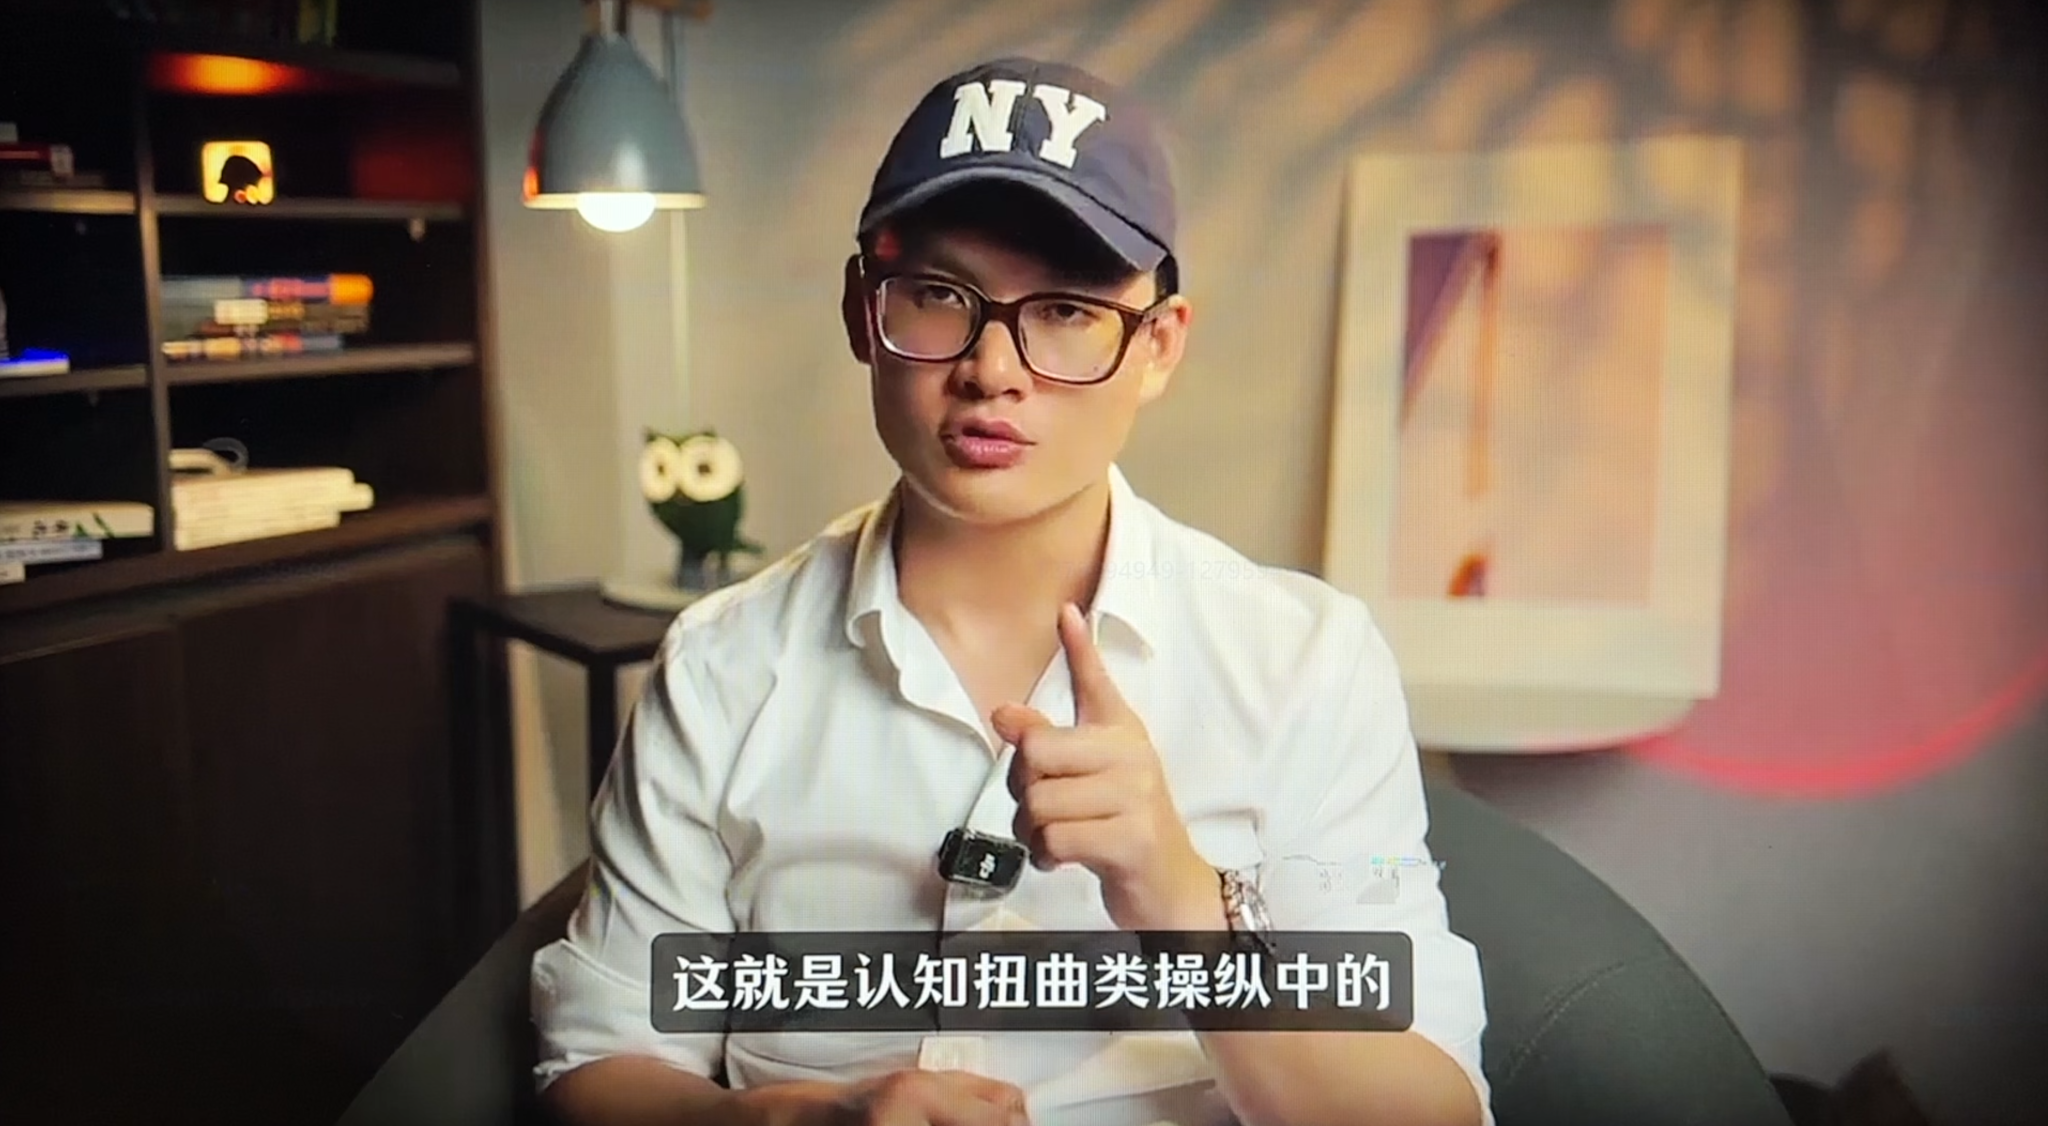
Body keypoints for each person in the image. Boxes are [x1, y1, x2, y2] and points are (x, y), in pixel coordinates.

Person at [532, 56, 1492, 1126]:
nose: (993, 369)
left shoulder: (1304, 662)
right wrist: (804, 1119)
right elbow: (600, 1061)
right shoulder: (723, 665)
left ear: (1158, 347)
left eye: (1068, 309)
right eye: (940, 296)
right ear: (861, 313)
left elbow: (1434, 1112)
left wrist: (1182, 901)